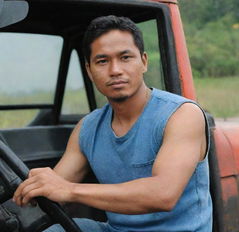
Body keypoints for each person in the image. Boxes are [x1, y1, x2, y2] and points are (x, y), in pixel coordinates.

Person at [13, 15, 212, 232]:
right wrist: (34, 189)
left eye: (125, 57)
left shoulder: (181, 115)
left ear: (143, 62)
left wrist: (70, 190)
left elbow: (163, 194)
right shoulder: (87, 128)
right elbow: (54, 188)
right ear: (89, 70)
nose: (115, 70)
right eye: (102, 61)